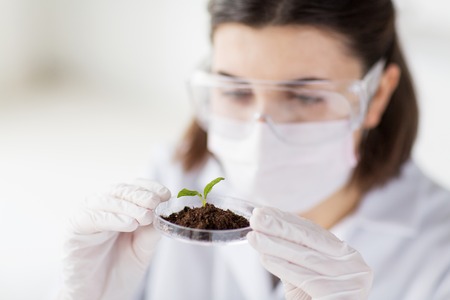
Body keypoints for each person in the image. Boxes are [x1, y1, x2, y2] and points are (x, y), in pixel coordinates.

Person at [58, 1, 450, 299]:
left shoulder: (440, 254)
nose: (261, 135)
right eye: (236, 90)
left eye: (305, 96)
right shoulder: (169, 186)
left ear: (377, 94)